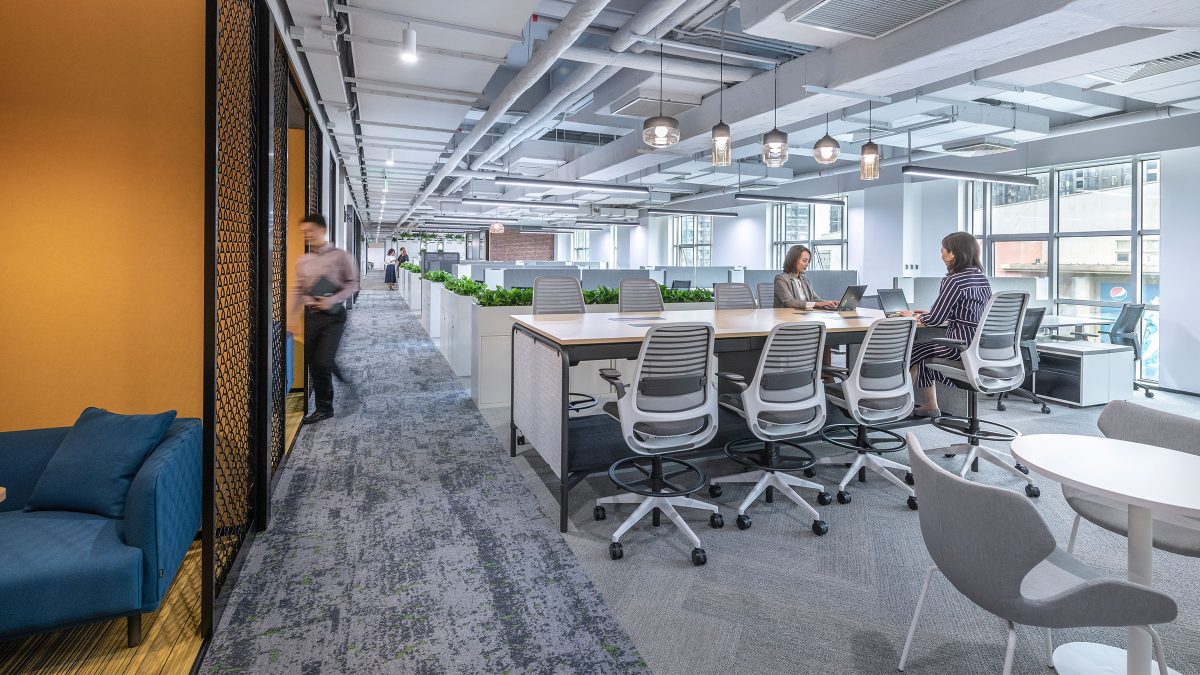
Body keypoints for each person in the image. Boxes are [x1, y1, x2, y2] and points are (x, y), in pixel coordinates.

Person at [899, 232, 992, 418]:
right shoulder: (982, 279)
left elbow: (934, 320)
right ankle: (931, 405)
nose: (941, 254)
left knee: (911, 352)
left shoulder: (954, 280)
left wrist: (915, 317)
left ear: (953, 254)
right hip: (979, 345)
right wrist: (933, 314)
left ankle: (900, 405)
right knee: (924, 356)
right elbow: (971, 314)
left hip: (958, 346)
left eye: (942, 250)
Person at [288, 214, 360, 424]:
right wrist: (292, 316)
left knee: (321, 361)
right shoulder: (304, 260)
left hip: (334, 316)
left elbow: (353, 283)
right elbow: (298, 289)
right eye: (304, 232)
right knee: (315, 361)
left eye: (310, 231)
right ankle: (332, 384)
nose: (306, 235)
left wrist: (333, 300)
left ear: (322, 230)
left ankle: (324, 407)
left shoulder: (340, 256)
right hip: (311, 315)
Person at [773, 244, 839, 309]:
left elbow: (814, 300)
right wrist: (818, 304)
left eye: (808, 261)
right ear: (794, 260)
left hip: (804, 315)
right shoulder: (781, 279)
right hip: (787, 317)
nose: (807, 264)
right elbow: (790, 302)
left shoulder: (805, 280)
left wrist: (829, 303)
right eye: (804, 260)